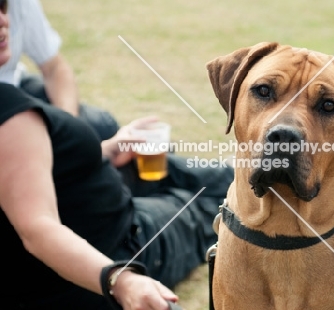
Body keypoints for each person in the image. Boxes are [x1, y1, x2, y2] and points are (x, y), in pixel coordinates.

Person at [0, 2, 233, 309]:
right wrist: (121, 279)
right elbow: (37, 227)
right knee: (215, 197)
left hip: (95, 195)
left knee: (209, 175)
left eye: (2, 5)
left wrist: (103, 150)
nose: (3, 20)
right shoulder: (9, 112)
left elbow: (22, 181)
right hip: (124, 245)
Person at [0, 0, 120, 140]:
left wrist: (68, 127)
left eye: (3, 5)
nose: (4, 20)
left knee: (104, 127)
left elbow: (54, 67)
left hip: (15, 85)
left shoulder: (21, 3)